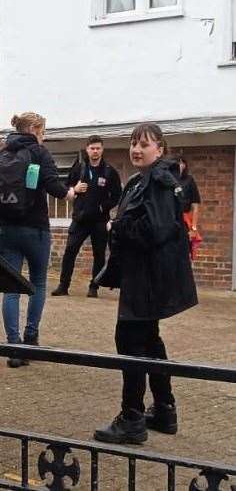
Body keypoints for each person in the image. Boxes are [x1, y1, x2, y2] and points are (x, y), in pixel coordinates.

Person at [94, 123, 198, 445]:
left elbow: (156, 229)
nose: (137, 149)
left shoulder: (161, 182)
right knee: (150, 342)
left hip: (147, 279)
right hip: (141, 276)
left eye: (145, 144)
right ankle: (165, 410)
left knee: (129, 342)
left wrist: (118, 227)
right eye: (133, 143)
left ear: (160, 149)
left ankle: (132, 418)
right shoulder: (143, 181)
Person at [0, 113, 75, 367]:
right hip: (34, 227)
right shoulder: (39, 152)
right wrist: (70, 193)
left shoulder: (1, 154)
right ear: (35, 129)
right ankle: (30, 337)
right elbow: (53, 187)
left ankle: (13, 346)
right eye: (43, 131)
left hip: (5, 228)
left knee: (11, 288)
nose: (44, 136)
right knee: (37, 282)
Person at [52, 135, 122, 298]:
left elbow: (117, 195)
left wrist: (103, 206)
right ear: (87, 149)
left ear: (102, 150)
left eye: (98, 148)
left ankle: (94, 287)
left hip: (99, 220)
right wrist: (74, 188)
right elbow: (65, 186)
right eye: (92, 148)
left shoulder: (109, 171)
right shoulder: (79, 168)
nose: (95, 151)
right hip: (80, 219)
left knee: (99, 254)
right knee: (70, 251)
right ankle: (63, 285)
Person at [175, 156, 202, 260]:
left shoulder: (189, 180)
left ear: (185, 165)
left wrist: (193, 228)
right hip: (170, 220)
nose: (179, 165)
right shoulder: (168, 180)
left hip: (184, 221)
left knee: (183, 253)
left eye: (182, 163)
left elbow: (195, 206)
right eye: (177, 163)